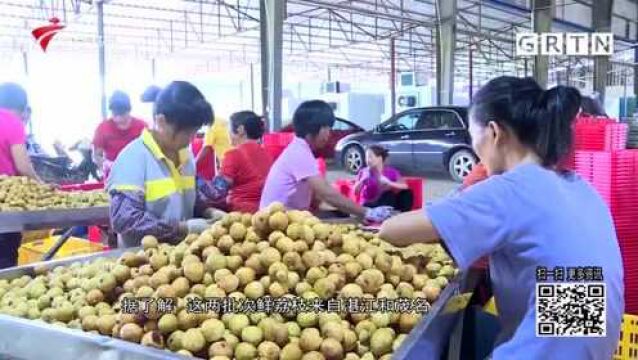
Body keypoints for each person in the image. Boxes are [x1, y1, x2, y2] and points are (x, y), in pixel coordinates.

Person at [379, 76, 623, 358]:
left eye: (473, 137)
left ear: (494, 132)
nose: (475, 150)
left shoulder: (511, 190)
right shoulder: (578, 187)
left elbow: (391, 230)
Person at [107, 81, 223, 248]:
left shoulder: (186, 157)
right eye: (186, 133)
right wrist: (182, 228)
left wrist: (208, 212)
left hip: (183, 262)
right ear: (161, 122)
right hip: (142, 263)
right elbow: (125, 220)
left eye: (194, 132)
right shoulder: (133, 159)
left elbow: (189, 200)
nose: (191, 139)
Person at [260, 100, 393, 223]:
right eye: (328, 128)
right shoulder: (299, 153)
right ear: (316, 128)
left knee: (341, 217)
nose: (329, 134)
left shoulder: (300, 148)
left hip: (289, 217)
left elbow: (320, 194)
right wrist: (367, 212)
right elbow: (326, 193)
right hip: (278, 223)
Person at [0, 83, 41, 268]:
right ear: (23, 108)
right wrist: (42, 185)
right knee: (5, 262)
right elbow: (23, 166)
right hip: (6, 206)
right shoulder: (12, 122)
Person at [199, 111, 273, 213]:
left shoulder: (234, 155)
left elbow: (216, 193)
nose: (227, 133)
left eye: (228, 129)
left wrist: (193, 177)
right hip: (265, 213)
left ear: (240, 130)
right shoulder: (267, 154)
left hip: (241, 217)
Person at [93, 90, 147, 178]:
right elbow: (97, 155)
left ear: (128, 111)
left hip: (139, 173)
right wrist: (105, 164)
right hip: (113, 175)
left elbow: (150, 152)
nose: (118, 118)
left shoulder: (142, 127)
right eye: (115, 114)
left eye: (122, 114)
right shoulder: (103, 128)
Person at [354, 145, 413, 212]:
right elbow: (355, 192)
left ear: (380, 158)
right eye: (366, 157)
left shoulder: (391, 172)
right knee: (388, 195)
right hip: (369, 205)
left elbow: (405, 186)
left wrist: (389, 183)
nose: (367, 160)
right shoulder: (363, 172)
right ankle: (386, 214)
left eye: (370, 157)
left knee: (405, 193)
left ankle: (401, 215)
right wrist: (363, 180)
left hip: (387, 202)